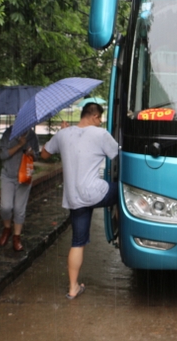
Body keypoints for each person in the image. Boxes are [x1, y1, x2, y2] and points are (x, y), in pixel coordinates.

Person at [40, 103, 119, 300]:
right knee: (125, 192)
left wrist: (62, 135)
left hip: (74, 197)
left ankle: (73, 288)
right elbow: (119, 156)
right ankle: (124, 224)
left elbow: (44, 154)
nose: (100, 122)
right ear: (94, 116)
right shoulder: (100, 134)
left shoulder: (63, 135)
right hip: (95, 193)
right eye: (100, 118)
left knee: (77, 242)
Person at [0, 126, 40, 251]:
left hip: (24, 176)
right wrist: (19, 145)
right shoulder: (8, 133)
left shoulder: (32, 136)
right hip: (8, 176)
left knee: (19, 208)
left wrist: (32, 153)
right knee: (5, 207)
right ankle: (7, 229)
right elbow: (3, 155)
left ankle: (17, 237)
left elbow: (37, 156)